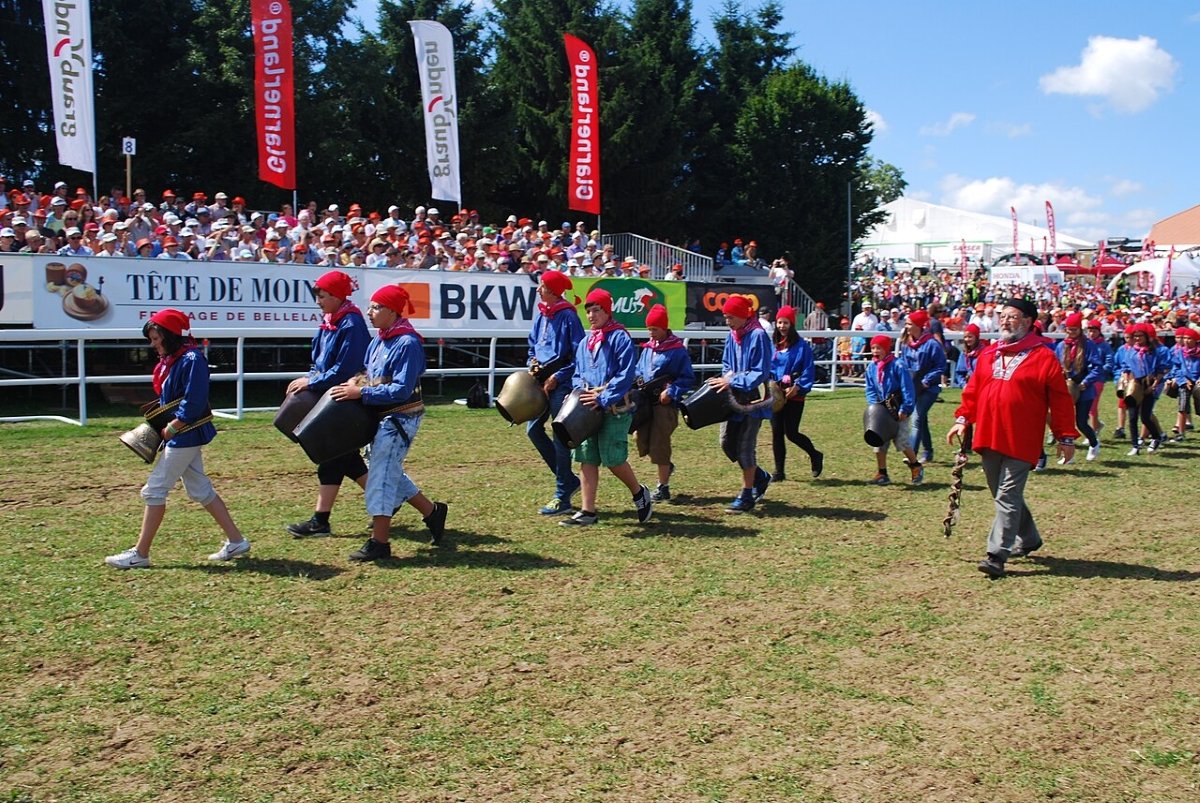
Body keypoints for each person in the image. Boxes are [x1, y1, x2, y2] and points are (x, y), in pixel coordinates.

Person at [105, 310, 249, 568]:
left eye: (156, 338)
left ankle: (140, 554)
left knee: (154, 489)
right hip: (185, 433)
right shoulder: (178, 358)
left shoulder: (192, 359)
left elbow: (195, 399)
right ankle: (236, 541)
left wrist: (174, 425)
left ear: (170, 336)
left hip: (184, 434)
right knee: (200, 489)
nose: (153, 344)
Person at [946, 297, 1078, 578]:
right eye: (1002, 316)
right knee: (1003, 494)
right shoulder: (989, 354)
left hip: (1022, 438)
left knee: (1007, 495)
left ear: (1028, 322)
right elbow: (973, 391)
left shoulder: (1043, 357)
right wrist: (962, 419)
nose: (1005, 321)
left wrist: (1065, 436)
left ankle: (996, 555)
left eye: (1012, 316)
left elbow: (1060, 400)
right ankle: (1029, 538)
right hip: (989, 434)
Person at [330, 284, 448, 561]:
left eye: (376, 307)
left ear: (392, 311)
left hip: (400, 418)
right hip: (382, 417)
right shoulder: (379, 340)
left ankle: (380, 542)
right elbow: (369, 373)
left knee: (381, 477)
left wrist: (361, 392)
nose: (369, 312)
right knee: (387, 471)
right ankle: (432, 511)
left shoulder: (407, 343)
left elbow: (401, 390)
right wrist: (356, 380)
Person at [284, 271, 372, 537]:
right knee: (343, 457)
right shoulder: (331, 321)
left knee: (332, 456)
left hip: (344, 398)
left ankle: (320, 521)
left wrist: (311, 382)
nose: (318, 301)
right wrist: (309, 379)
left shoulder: (351, 324)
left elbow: (345, 368)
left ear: (336, 296)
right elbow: (320, 362)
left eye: (322, 296)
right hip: (332, 397)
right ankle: (388, 499)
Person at [560, 289, 654, 527]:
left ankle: (639, 493)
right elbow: (578, 373)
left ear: (607, 311)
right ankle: (587, 511)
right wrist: (578, 392)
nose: (591, 315)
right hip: (587, 409)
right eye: (588, 311)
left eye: (596, 310)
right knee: (587, 456)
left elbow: (625, 374)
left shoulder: (620, 337)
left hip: (615, 408)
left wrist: (603, 397)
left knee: (613, 458)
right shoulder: (585, 342)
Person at [526, 270, 585, 515]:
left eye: (541, 286)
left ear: (551, 290)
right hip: (541, 382)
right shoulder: (542, 315)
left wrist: (558, 377)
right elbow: (532, 346)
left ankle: (563, 493)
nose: (538, 289)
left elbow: (578, 354)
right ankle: (568, 480)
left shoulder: (568, 316)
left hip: (561, 384)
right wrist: (531, 362)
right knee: (533, 430)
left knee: (560, 435)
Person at [708, 295, 773, 513]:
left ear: (744, 315)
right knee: (727, 443)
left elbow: (760, 371)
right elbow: (727, 363)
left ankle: (746, 496)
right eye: (726, 317)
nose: (728, 322)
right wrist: (726, 378)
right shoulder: (732, 335)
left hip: (754, 400)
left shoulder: (758, 335)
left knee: (745, 447)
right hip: (734, 398)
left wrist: (733, 380)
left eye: (731, 317)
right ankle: (759, 476)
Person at [633, 304, 695, 502]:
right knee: (640, 438)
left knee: (660, 443)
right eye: (649, 329)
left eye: (655, 329)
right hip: (646, 403)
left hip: (664, 406)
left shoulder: (677, 351)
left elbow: (687, 377)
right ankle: (666, 466)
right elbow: (639, 369)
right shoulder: (648, 349)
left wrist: (672, 391)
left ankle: (663, 487)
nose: (651, 333)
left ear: (664, 328)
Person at [769, 305, 823, 481]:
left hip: (794, 394)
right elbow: (767, 367)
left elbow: (808, 370)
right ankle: (779, 471)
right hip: (776, 394)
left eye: (785, 323)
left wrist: (798, 387)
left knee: (791, 432)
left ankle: (815, 454)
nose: (782, 326)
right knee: (776, 432)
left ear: (792, 324)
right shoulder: (773, 345)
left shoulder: (802, 347)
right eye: (779, 322)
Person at [864, 334, 923, 486]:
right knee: (879, 442)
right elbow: (870, 389)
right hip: (882, 411)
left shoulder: (898, 365)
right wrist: (875, 406)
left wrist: (905, 408)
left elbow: (907, 388)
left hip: (898, 410)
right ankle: (882, 473)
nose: (875, 351)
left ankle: (915, 465)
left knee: (901, 441)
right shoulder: (871, 368)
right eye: (873, 348)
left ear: (886, 349)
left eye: (879, 348)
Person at [1053, 312, 1104, 462]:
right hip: (1066, 388)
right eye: (1069, 329)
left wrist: (1086, 382)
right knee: (1065, 423)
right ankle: (1068, 455)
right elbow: (1055, 365)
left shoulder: (1088, 345)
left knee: (1081, 422)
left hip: (1084, 388)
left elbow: (1097, 367)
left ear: (1080, 329)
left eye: (1075, 330)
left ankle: (1094, 443)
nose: (1071, 332)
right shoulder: (1061, 346)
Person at [899, 309, 945, 464]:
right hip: (913, 387)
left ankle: (912, 454)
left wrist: (926, 381)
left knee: (917, 418)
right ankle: (928, 451)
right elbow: (903, 364)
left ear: (918, 325)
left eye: (909, 324)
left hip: (929, 388)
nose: (906, 326)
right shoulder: (906, 344)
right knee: (921, 419)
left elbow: (940, 366)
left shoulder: (932, 344)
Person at [1116, 323, 1166, 456]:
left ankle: (1156, 437)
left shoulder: (1154, 351)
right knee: (1132, 417)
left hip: (1149, 384)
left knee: (1145, 417)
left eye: (1140, 336)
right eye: (1135, 336)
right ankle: (1135, 445)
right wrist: (1125, 380)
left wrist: (1154, 386)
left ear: (1146, 337)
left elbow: (1161, 370)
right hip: (1134, 385)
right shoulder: (1131, 351)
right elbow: (1126, 367)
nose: (1137, 338)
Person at [1168, 327, 1200, 442]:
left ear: (1196, 340)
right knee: (1182, 407)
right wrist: (1183, 380)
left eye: (1189, 338)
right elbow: (1176, 368)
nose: (1186, 340)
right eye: (1185, 338)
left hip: (1197, 382)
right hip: (1184, 382)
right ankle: (1181, 433)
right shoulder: (1180, 352)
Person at [1085, 318, 1114, 435]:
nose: (1091, 333)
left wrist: (1099, 371)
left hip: (1098, 379)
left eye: (1094, 331)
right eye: (1090, 331)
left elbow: (1109, 362)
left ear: (1099, 331)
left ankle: (1093, 431)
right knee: (1086, 405)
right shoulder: (1085, 344)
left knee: (1092, 405)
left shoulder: (1104, 346)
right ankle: (1097, 425)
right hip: (1085, 378)